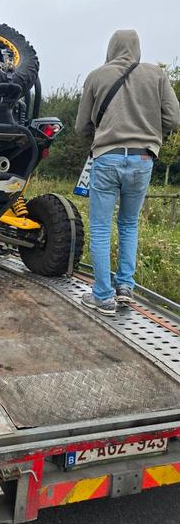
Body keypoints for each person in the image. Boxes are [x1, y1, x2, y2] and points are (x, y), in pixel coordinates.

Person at [75, 30, 180, 316]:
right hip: (143, 159)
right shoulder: (157, 75)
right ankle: (124, 288)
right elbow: (173, 117)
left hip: (107, 158)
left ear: (111, 47)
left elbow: (81, 125)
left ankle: (102, 296)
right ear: (137, 48)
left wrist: (100, 135)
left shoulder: (97, 76)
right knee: (129, 224)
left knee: (100, 227)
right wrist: (151, 136)